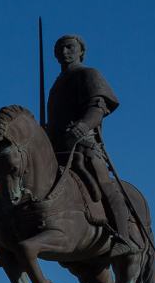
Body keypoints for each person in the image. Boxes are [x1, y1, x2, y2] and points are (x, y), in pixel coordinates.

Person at [44, 34, 140, 256]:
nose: (64, 51)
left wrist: (83, 126)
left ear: (81, 51)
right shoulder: (56, 85)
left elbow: (98, 109)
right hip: (56, 148)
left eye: (69, 47)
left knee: (104, 184)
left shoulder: (88, 74)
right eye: (59, 48)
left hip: (82, 145)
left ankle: (125, 238)